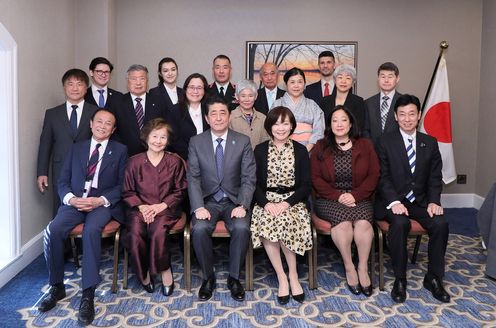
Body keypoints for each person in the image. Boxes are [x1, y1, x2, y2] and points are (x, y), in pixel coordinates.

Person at [38, 109, 128, 325]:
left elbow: (122, 185)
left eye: (108, 123)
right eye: (99, 121)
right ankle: (57, 286)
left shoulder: (120, 150)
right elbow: (63, 181)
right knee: (54, 229)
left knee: (91, 231)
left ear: (113, 129)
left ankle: (88, 294)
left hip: (102, 204)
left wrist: (100, 200)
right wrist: (71, 199)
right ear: (91, 124)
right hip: (75, 202)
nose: (103, 126)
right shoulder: (76, 149)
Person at [376, 94, 450, 303]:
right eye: (402, 115)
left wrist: (434, 201)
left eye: (411, 114)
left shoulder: (430, 142)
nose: (407, 119)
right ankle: (400, 279)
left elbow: (435, 177)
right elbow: (382, 177)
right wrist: (394, 202)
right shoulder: (384, 142)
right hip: (393, 202)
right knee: (399, 224)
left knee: (440, 224)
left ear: (419, 115)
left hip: (420, 201)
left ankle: (434, 277)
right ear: (396, 117)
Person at [187, 96, 256, 302]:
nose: (218, 118)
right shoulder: (196, 142)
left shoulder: (242, 141)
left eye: (222, 113)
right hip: (207, 201)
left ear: (229, 116)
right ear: (207, 119)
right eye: (213, 114)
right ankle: (208, 278)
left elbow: (248, 177)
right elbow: (193, 177)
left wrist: (243, 204)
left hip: (234, 201)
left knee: (242, 228)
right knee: (198, 229)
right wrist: (198, 206)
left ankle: (234, 278)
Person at [310, 105, 380, 297]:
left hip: (360, 196)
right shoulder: (320, 146)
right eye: (334, 120)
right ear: (329, 125)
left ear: (350, 124)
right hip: (329, 198)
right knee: (343, 223)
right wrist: (339, 196)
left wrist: (355, 195)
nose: (339, 124)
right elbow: (315, 178)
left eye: (343, 120)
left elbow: (374, 175)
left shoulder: (365, 145)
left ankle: (363, 268)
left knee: (364, 222)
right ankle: (349, 266)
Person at [251, 106, 312, 305]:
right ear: (269, 126)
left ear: (292, 126)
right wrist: (267, 203)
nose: (281, 128)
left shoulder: (300, 150)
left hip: (293, 201)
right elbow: (254, 184)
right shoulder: (260, 150)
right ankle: (281, 277)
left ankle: (293, 274)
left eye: (285, 123)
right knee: (268, 221)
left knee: (285, 220)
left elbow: (305, 185)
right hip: (267, 200)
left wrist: (286, 203)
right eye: (276, 123)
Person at [123, 118, 187, 296]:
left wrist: (161, 206)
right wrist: (143, 207)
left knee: (158, 230)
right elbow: (127, 191)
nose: (158, 141)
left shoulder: (175, 162)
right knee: (135, 232)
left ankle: (165, 270)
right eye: (155, 136)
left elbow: (181, 189)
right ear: (146, 137)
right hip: (139, 209)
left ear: (168, 140)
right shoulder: (134, 162)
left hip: (166, 208)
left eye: (163, 137)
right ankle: (143, 274)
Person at [37, 68, 98, 215]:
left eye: (79, 84)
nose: (75, 88)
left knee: (87, 206)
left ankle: (83, 238)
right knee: (60, 207)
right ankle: (59, 238)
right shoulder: (52, 113)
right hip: (60, 167)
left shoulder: (96, 111)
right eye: (70, 84)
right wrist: (41, 172)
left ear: (86, 88)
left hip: (89, 167)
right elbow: (45, 144)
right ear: (64, 87)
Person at [110, 64, 168, 156]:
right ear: (127, 81)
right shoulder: (117, 103)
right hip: (125, 156)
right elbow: (113, 131)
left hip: (154, 155)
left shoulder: (159, 102)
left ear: (147, 81)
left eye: (142, 78)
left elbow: (166, 129)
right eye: (133, 79)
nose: (138, 83)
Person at [272, 67, 324, 152]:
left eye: (300, 82)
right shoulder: (277, 104)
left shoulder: (312, 105)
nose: (296, 85)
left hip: (309, 151)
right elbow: (271, 128)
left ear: (304, 84)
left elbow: (319, 130)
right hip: (281, 150)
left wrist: (305, 150)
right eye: (292, 82)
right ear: (286, 84)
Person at [169, 73, 210, 161]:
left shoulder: (210, 110)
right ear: (185, 89)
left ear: (204, 91)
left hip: (209, 159)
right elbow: (174, 139)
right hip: (184, 160)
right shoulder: (174, 111)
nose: (195, 91)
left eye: (199, 88)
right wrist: (192, 156)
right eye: (191, 87)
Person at [320, 64, 367, 133]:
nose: (343, 81)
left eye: (348, 78)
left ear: (353, 82)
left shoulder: (358, 101)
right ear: (335, 80)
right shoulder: (324, 101)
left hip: (351, 141)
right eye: (340, 77)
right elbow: (321, 125)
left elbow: (359, 127)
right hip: (328, 141)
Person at [364, 62, 401, 145]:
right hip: (373, 152)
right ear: (378, 78)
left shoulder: (404, 102)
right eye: (383, 76)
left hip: (397, 151)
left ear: (397, 78)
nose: (386, 80)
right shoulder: (368, 103)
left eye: (390, 77)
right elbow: (365, 130)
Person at [229, 79, 270, 149]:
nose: (247, 99)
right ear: (237, 96)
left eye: (250, 96)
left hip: (258, 159)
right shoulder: (230, 117)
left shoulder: (263, 118)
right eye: (243, 96)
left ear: (256, 96)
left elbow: (267, 142)